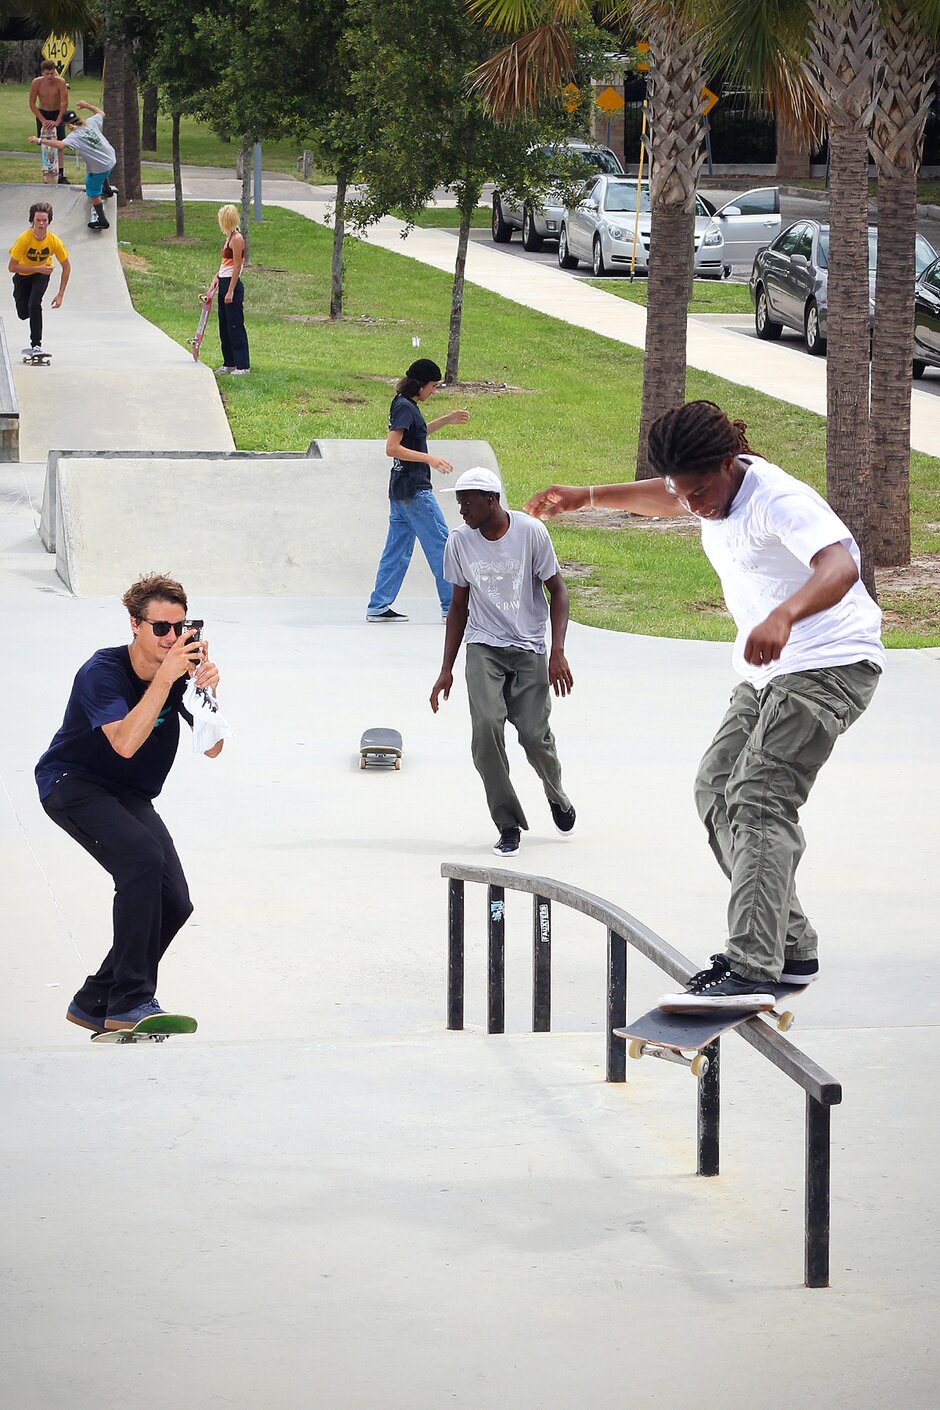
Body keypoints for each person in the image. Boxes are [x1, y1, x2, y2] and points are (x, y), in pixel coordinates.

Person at [524, 399, 884, 1009]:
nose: (693, 508)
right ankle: (791, 946)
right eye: (684, 495)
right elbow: (665, 495)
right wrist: (586, 496)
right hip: (767, 670)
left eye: (700, 494)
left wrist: (784, 613)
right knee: (715, 790)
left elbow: (842, 564)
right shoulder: (701, 485)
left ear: (728, 463)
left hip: (830, 662)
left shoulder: (779, 500)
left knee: (760, 797)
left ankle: (752, 965)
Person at [35, 574, 223, 1034]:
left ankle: (94, 998)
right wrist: (164, 679)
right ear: (135, 625)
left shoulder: (178, 672)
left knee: (175, 901)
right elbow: (123, 742)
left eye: (182, 628)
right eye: (161, 628)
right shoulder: (102, 672)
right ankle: (129, 1003)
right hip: (73, 783)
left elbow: (214, 749)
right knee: (140, 859)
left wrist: (207, 696)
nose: (172, 639)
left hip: (129, 795)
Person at [431, 467, 576, 857]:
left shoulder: (530, 533)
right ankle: (508, 822)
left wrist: (557, 651)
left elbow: (558, 591)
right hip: (484, 646)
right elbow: (458, 606)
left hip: (529, 647)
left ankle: (556, 794)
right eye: (458, 501)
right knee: (486, 730)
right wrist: (446, 668)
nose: (460, 509)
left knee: (534, 737)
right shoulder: (459, 542)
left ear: (491, 499)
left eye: (467, 501)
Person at [366, 357, 470, 623]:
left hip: (401, 491)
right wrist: (430, 459)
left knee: (397, 550)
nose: (434, 391)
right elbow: (392, 447)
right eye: (433, 386)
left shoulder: (405, 405)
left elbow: (418, 433)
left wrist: (446, 420)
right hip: (414, 490)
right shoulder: (404, 407)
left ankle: (378, 605)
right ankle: (452, 608)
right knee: (443, 546)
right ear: (420, 384)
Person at [30, 101, 116, 231]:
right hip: (111, 157)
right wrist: (87, 106)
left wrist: (39, 140)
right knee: (97, 170)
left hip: (101, 167)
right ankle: (107, 191)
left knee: (92, 190)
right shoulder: (90, 123)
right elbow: (101, 113)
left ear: (67, 125)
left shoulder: (74, 137)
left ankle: (102, 221)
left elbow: (60, 145)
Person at [8, 201, 70, 358]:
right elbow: (12, 267)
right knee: (23, 313)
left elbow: (66, 267)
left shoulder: (54, 241)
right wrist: (37, 268)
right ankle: (31, 313)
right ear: (32, 221)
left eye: (45, 220)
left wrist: (60, 294)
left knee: (35, 304)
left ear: (49, 221)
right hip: (22, 276)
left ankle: (36, 345)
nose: (41, 224)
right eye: (38, 220)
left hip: (42, 275)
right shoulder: (24, 239)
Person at [205, 204, 250, 375]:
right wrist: (216, 277)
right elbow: (226, 264)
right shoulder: (228, 237)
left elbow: (237, 266)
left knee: (235, 325)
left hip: (233, 285)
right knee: (224, 325)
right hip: (223, 282)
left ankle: (242, 365)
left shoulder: (237, 239)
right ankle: (229, 362)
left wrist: (231, 290)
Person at [28, 58, 69, 185]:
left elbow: (64, 103)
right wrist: (43, 120)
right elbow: (32, 103)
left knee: (59, 145)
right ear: (42, 73)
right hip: (43, 113)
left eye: (52, 73)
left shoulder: (60, 82)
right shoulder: (36, 83)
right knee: (46, 144)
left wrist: (57, 121)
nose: (50, 76)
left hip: (57, 113)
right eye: (47, 74)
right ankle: (48, 173)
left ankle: (60, 174)